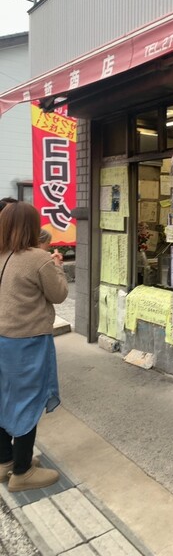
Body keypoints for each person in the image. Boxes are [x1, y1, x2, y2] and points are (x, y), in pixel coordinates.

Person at [0, 202, 68, 492]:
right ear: (31, 227)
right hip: (27, 341)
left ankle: (5, 460)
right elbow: (59, 294)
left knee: (3, 398)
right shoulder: (37, 258)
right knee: (29, 399)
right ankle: (22, 471)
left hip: (2, 338)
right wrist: (57, 267)